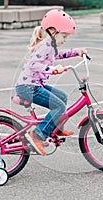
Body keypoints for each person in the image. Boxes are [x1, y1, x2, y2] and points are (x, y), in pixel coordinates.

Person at [15, 9, 86, 155]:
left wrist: (76, 52)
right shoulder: (45, 46)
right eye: (64, 36)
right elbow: (33, 65)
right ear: (53, 31)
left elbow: (58, 55)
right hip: (29, 87)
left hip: (34, 85)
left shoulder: (50, 46)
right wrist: (52, 69)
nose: (65, 40)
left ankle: (57, 128)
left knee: (62, 97)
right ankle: (37, 136)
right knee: (59, 105)